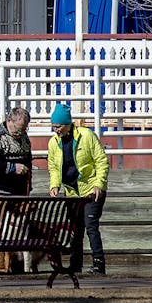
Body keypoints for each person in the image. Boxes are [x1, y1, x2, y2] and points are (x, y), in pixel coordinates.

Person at [46, 103, 110, 274]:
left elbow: (101, 161)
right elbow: (53, 166)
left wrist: (99, 184)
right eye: (54, 126)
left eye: (58, 126)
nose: (56, 130)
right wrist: (54, 185)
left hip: (91, 189)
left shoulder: (86, 136)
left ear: (68, 124)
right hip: (72, 192)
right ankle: (76, 264)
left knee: (90, 225)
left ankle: (98, 263)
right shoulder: (54, 143)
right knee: (75, 228)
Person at [0, 107, 34, 274]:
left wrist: (27, 185)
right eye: (19, 128)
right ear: (9, 121)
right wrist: (12, 167)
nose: (21, 132)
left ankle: (14, 266)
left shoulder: (24, 138)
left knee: (16, 232)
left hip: (18, 192)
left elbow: (28, 162)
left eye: (24, 128)